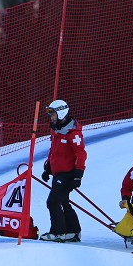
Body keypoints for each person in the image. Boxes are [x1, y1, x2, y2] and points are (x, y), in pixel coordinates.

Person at [40, 99, 87, 242]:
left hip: (68, 173)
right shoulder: (56, 129)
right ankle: (73, 231)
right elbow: (54, 151)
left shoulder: (73, 133)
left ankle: (58, 233)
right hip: (58, 172)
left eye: (53, 114)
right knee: (63, 201)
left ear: (61, 113)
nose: (51, 118)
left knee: (53, 202)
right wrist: (48, 168)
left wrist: (78, 175)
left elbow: (81, 154)